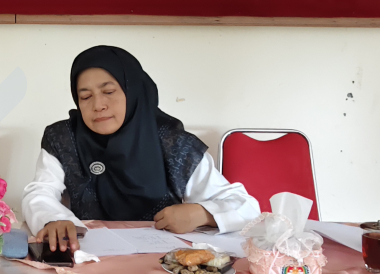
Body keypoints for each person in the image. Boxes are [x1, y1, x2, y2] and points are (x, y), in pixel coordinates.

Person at [22, 46, 260, 252]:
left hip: (163, 262)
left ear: (133, 90)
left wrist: (202, 213)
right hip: (90, 258)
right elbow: (40, 192)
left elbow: (246, 206)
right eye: (85, 97)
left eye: (109, 92)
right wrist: (54, 219)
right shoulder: (63, 138)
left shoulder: (174, 143)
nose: (98, 105)